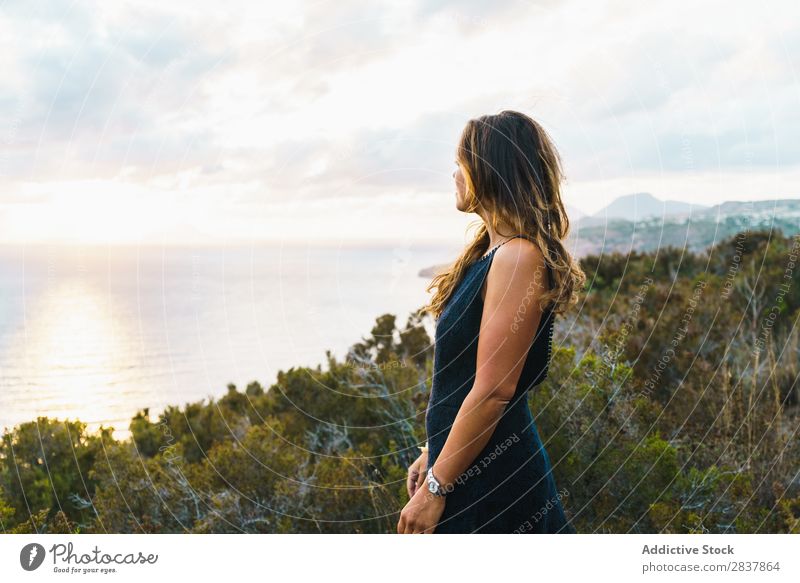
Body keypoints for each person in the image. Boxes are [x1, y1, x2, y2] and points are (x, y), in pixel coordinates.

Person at [397, 110, 586, 534]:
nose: (454, 173)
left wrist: (434, 489)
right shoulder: (491, 255)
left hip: (495, 484)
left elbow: (494, 392)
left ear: (489, 170)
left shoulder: (518, 258)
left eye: (461, 162)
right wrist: (436, 451)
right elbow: (461, 379)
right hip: (468, 467)